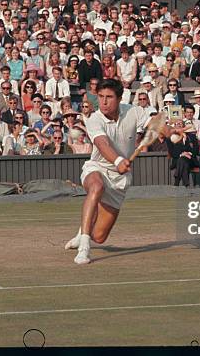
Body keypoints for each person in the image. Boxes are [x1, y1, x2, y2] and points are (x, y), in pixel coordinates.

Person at [64, 78, 152, 265]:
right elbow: (101, 144)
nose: (103, 102)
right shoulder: (94, 118)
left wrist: (172, 132)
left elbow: (156, 124)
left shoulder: (135, 112)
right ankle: (84, 248)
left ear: (120, 98)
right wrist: (118, 160)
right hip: (98, 167)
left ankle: (84, 233)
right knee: (96, 187)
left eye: (109, 97)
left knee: (100, 236)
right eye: (101, 97)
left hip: (120, 180)